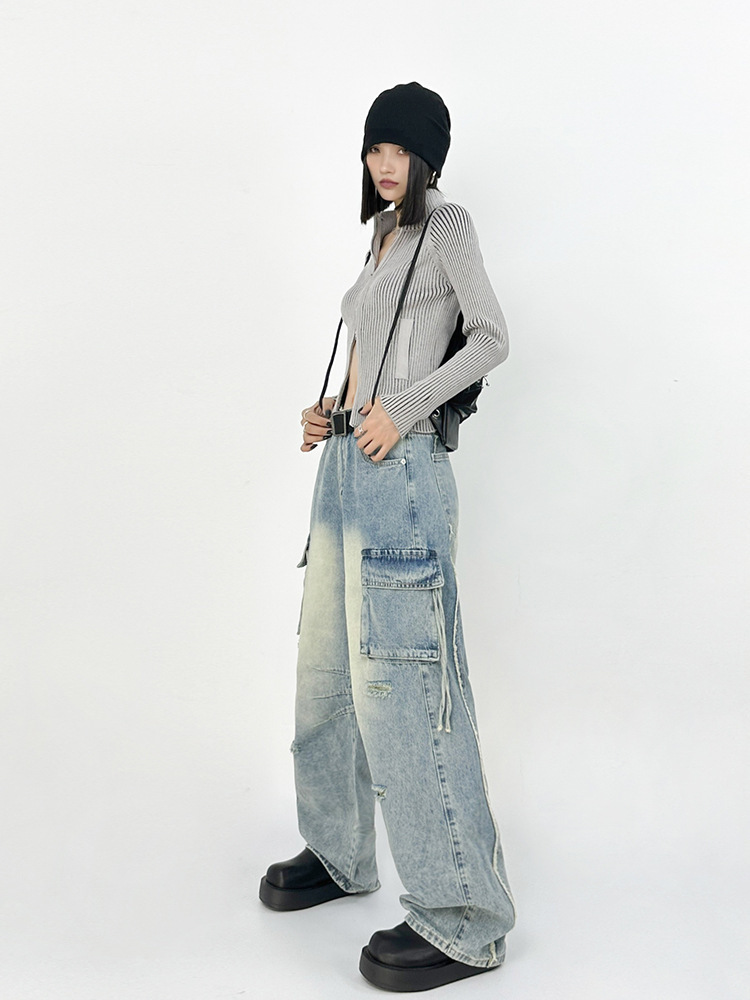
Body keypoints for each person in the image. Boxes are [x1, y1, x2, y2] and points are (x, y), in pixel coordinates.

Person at [259, 81, 516, 992]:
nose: (383, 163)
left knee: (405, 693)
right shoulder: (382, 237)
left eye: (398, 149)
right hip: (344, 469)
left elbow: (490, 338)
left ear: (425, 156)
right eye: (374, 148)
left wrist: (402, 409)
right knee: (325, 674)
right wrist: (333, 410)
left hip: (402, 476)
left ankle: (463, 917)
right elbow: (374, 352)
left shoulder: (447, 226)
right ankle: (339, 852)